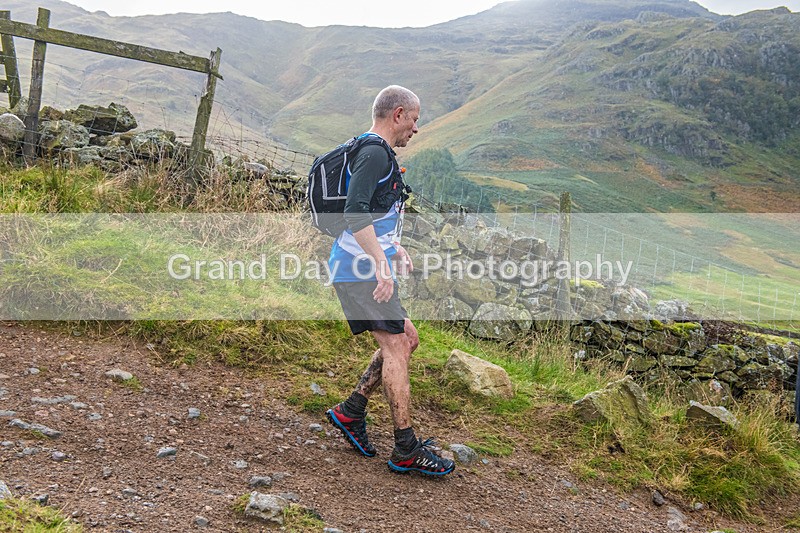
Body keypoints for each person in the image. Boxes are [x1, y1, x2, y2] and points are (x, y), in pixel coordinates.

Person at [325, 85, 455, 476]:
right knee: (397, 344)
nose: (416, 128)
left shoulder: (374, 151)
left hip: (361, 264)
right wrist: (381, 264)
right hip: (358, 269)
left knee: (407, 338)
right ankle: (406, 448)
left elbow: (373, 214)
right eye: (414, 120)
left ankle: (351, 412)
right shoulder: (374, 153)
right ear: (398, 114)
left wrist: (392, 248)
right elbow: (355, 212)